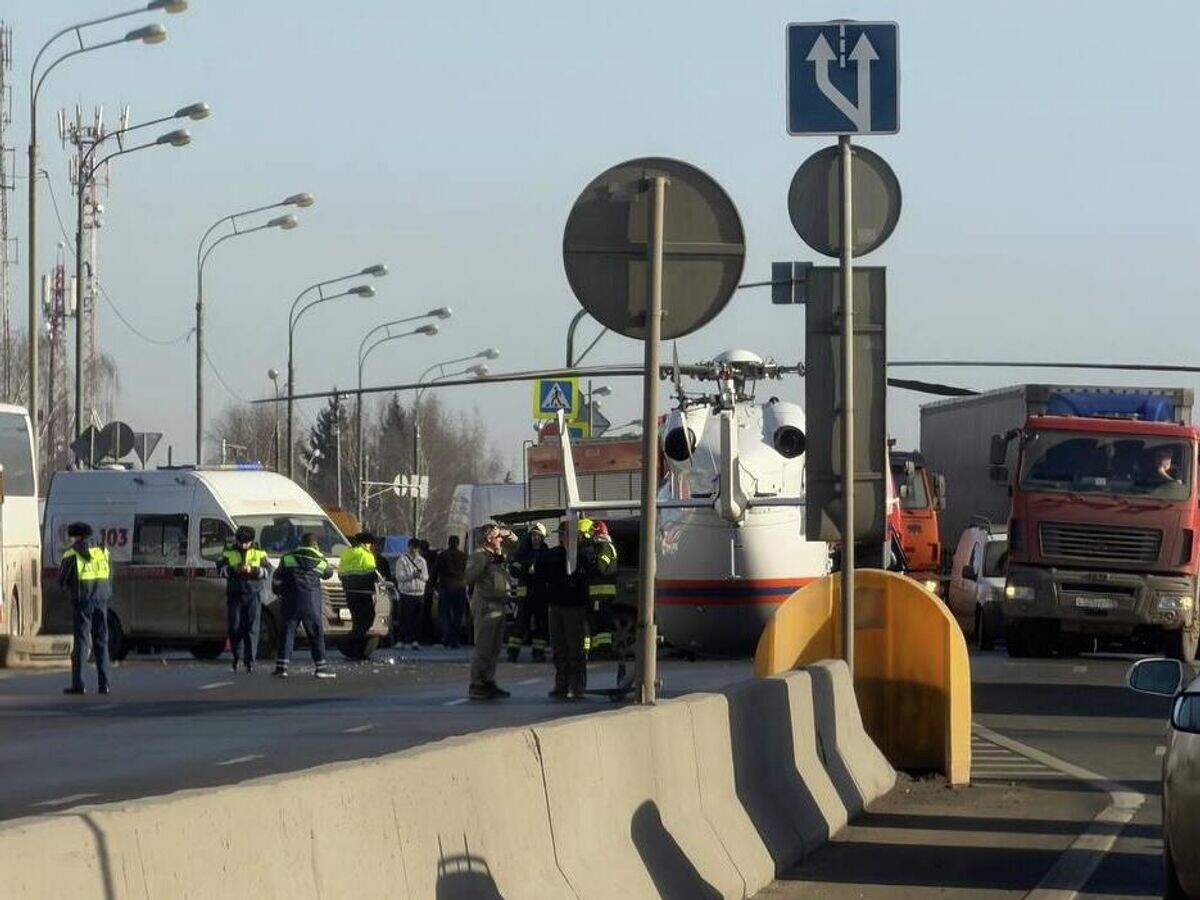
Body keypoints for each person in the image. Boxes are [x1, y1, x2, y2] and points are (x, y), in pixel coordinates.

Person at [272, 532, 336, 679]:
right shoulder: (318, 560)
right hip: (311, 603)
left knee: (287, 633)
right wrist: (321, 557)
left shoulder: (287, 558)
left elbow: (277, 578)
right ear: (315, 545)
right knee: (315, 634)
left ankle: (282, 667)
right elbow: (328, 573)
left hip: (291, 601)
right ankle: (321, 667)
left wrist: (278, 591)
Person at [465, 523, 517, 700]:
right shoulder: (479, 555)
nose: (501, 540)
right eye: (497, 537)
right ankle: (477, 683)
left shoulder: (500, 554)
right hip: (486, 605)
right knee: (484, 647)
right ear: (488, 539)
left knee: (495, 648)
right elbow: (469, 577)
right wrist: (485, 564)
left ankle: (488, 680)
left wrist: (505, 532)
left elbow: (516, 542)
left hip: (499, 604)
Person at [60, 522, 112, 696]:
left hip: (83, 602)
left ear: (76, 536)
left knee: (82, 643)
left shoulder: (72, 553)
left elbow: (62, 580)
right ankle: (104, 684)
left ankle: (79, 684)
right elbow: (110, 575)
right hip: (102, 601)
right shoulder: (103, 551)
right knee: (102, 642)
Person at [216, 525, 271, 673]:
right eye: (240, 542)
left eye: (246, 542)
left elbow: (267, 572)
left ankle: (250, 661)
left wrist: (252, 570)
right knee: (234, 627)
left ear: (251, 541)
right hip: (235, 594)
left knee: (252, 628)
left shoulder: (259, 552)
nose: (243, 545)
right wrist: (232, 569)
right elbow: (220, 570)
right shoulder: (229, 552)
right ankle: (236, 657)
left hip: (253, 594)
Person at [544, 520, 588, 699]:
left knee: (575, 648)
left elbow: (584, 582)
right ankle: (561, 684)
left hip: (574, 607)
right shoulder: (553, 555)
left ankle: (577, 685)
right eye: (561, 535)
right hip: (556, 606)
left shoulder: (581, 557)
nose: (561, 538)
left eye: (565, 534)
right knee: (559, 648)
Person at [507, 523, 551, 662]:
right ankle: (513, 652)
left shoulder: (546, 553)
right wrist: (526, 569)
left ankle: (538, 652)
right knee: (520, 623)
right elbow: (514, 570)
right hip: (525, 593)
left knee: (541, 624)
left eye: (538, 536)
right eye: (533, 535)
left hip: (541, 594)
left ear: (543, 538)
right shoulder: (523, 553)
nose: (535, 538)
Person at [338, 531, 380, 661]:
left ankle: (353, 649)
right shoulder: (366, 555)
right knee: (367, 619)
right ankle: (356, 650)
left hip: (350, 593)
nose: (370, 546)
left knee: (357, 621)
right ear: (364, 543)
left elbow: (341, 574)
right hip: (364, 594)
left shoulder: (346, 554)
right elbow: (372, 575)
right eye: (369, 544)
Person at [583, 520, 619, 659]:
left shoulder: (604, 547)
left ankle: (602, 650)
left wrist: (590, 564)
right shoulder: (608, 546)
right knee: (600, 621)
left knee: (601, 623)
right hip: (602, 592)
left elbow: (600, 568)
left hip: (601, 593)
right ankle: (599, 649)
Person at [394, 537, 429, 650]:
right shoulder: (402, 560)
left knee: (417, 619)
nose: (414, 550)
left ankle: (415, 640)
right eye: (412, 547)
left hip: (419, 593)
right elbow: (399, 577)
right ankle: (401, 640)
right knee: (405, 618)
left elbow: (426, 577)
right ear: (408, 547)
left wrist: (419, 576)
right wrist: (412, 575)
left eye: (416, 548)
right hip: (406, 592)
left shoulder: (422, 561)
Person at [435, 535, 468, 648]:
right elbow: (468, 572)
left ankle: (446, 636)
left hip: (445, 587)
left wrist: (431, 586)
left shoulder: (442, 555)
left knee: (444, 614)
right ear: (458, 543)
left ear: (448, 542)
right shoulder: (463, 556)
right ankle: (455, 640)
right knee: (458, 615)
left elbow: (435, 572)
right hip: (460, 587)